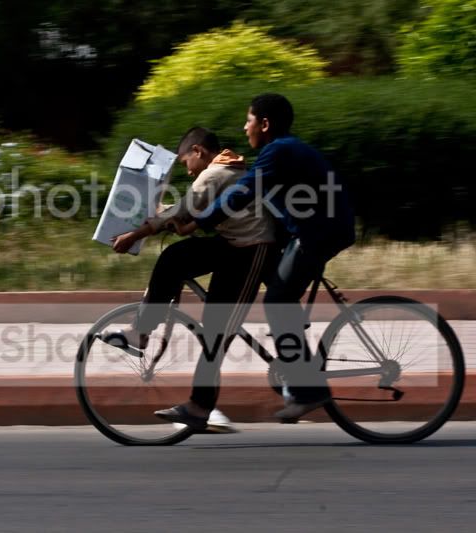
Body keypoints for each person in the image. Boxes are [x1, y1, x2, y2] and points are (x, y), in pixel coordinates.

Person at [185, 93, 356, 422]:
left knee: (278, 301)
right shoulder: (282, 150)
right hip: (311, 230)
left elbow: (242, 193)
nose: (244, 127)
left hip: (318, 233)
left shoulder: (278, 151)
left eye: (248, 120)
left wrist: (200, 220)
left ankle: (308, 391)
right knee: (277, 285)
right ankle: (294, 359)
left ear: (264, 124)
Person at [104, 127, 280, 431]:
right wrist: (164, 218)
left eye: (186, 162)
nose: (187, 170)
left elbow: (184, 209)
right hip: (231, 246)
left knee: (216, 335)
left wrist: (134, 234)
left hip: (251, 252)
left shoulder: (216, 173)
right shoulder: (225, 170)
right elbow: (191, 213)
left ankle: (199, 407)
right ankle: (142, 330)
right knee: (175, 258)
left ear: (198, 151)